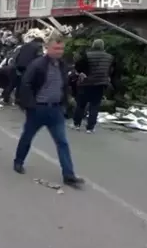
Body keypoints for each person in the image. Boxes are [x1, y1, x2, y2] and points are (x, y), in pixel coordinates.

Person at [13, 31, 84, 187]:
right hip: (38, 109)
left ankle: (68, 175)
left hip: (56, 110)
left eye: (61, 49)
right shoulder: (38, 65)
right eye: (56, 48)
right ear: (47, 48)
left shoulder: (63, 66)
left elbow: (64, 86)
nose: (59, 52)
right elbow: (26, 84)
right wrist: (30, 105)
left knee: (62, 142)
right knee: (27, 137)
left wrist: (65, 102)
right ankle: (18, 162)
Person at [72, 39, 114, 133]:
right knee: (94, 106)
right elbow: (112, 70)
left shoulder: (87, 55)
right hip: (100, 84)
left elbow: (78, 66)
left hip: (86, 83)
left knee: (81, 104)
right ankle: (90, 127)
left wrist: (81, 73)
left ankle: (77, 124)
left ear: (93, 46)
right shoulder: (109, 57)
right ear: (103, 46)